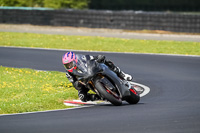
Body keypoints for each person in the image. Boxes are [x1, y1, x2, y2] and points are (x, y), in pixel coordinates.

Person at [62, 51, 132, 102]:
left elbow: (92, 58)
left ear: (75, 60)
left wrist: (98, 57)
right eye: (67, 65)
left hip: (92, 71)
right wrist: (77, 84)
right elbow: (74, 84)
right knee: (82, 97)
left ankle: (121, 74)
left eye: (70, 64)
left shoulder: (83, 58)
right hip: (84, 82)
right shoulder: (69, 73)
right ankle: (100, 97)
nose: (69, 66)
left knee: (105, 61)